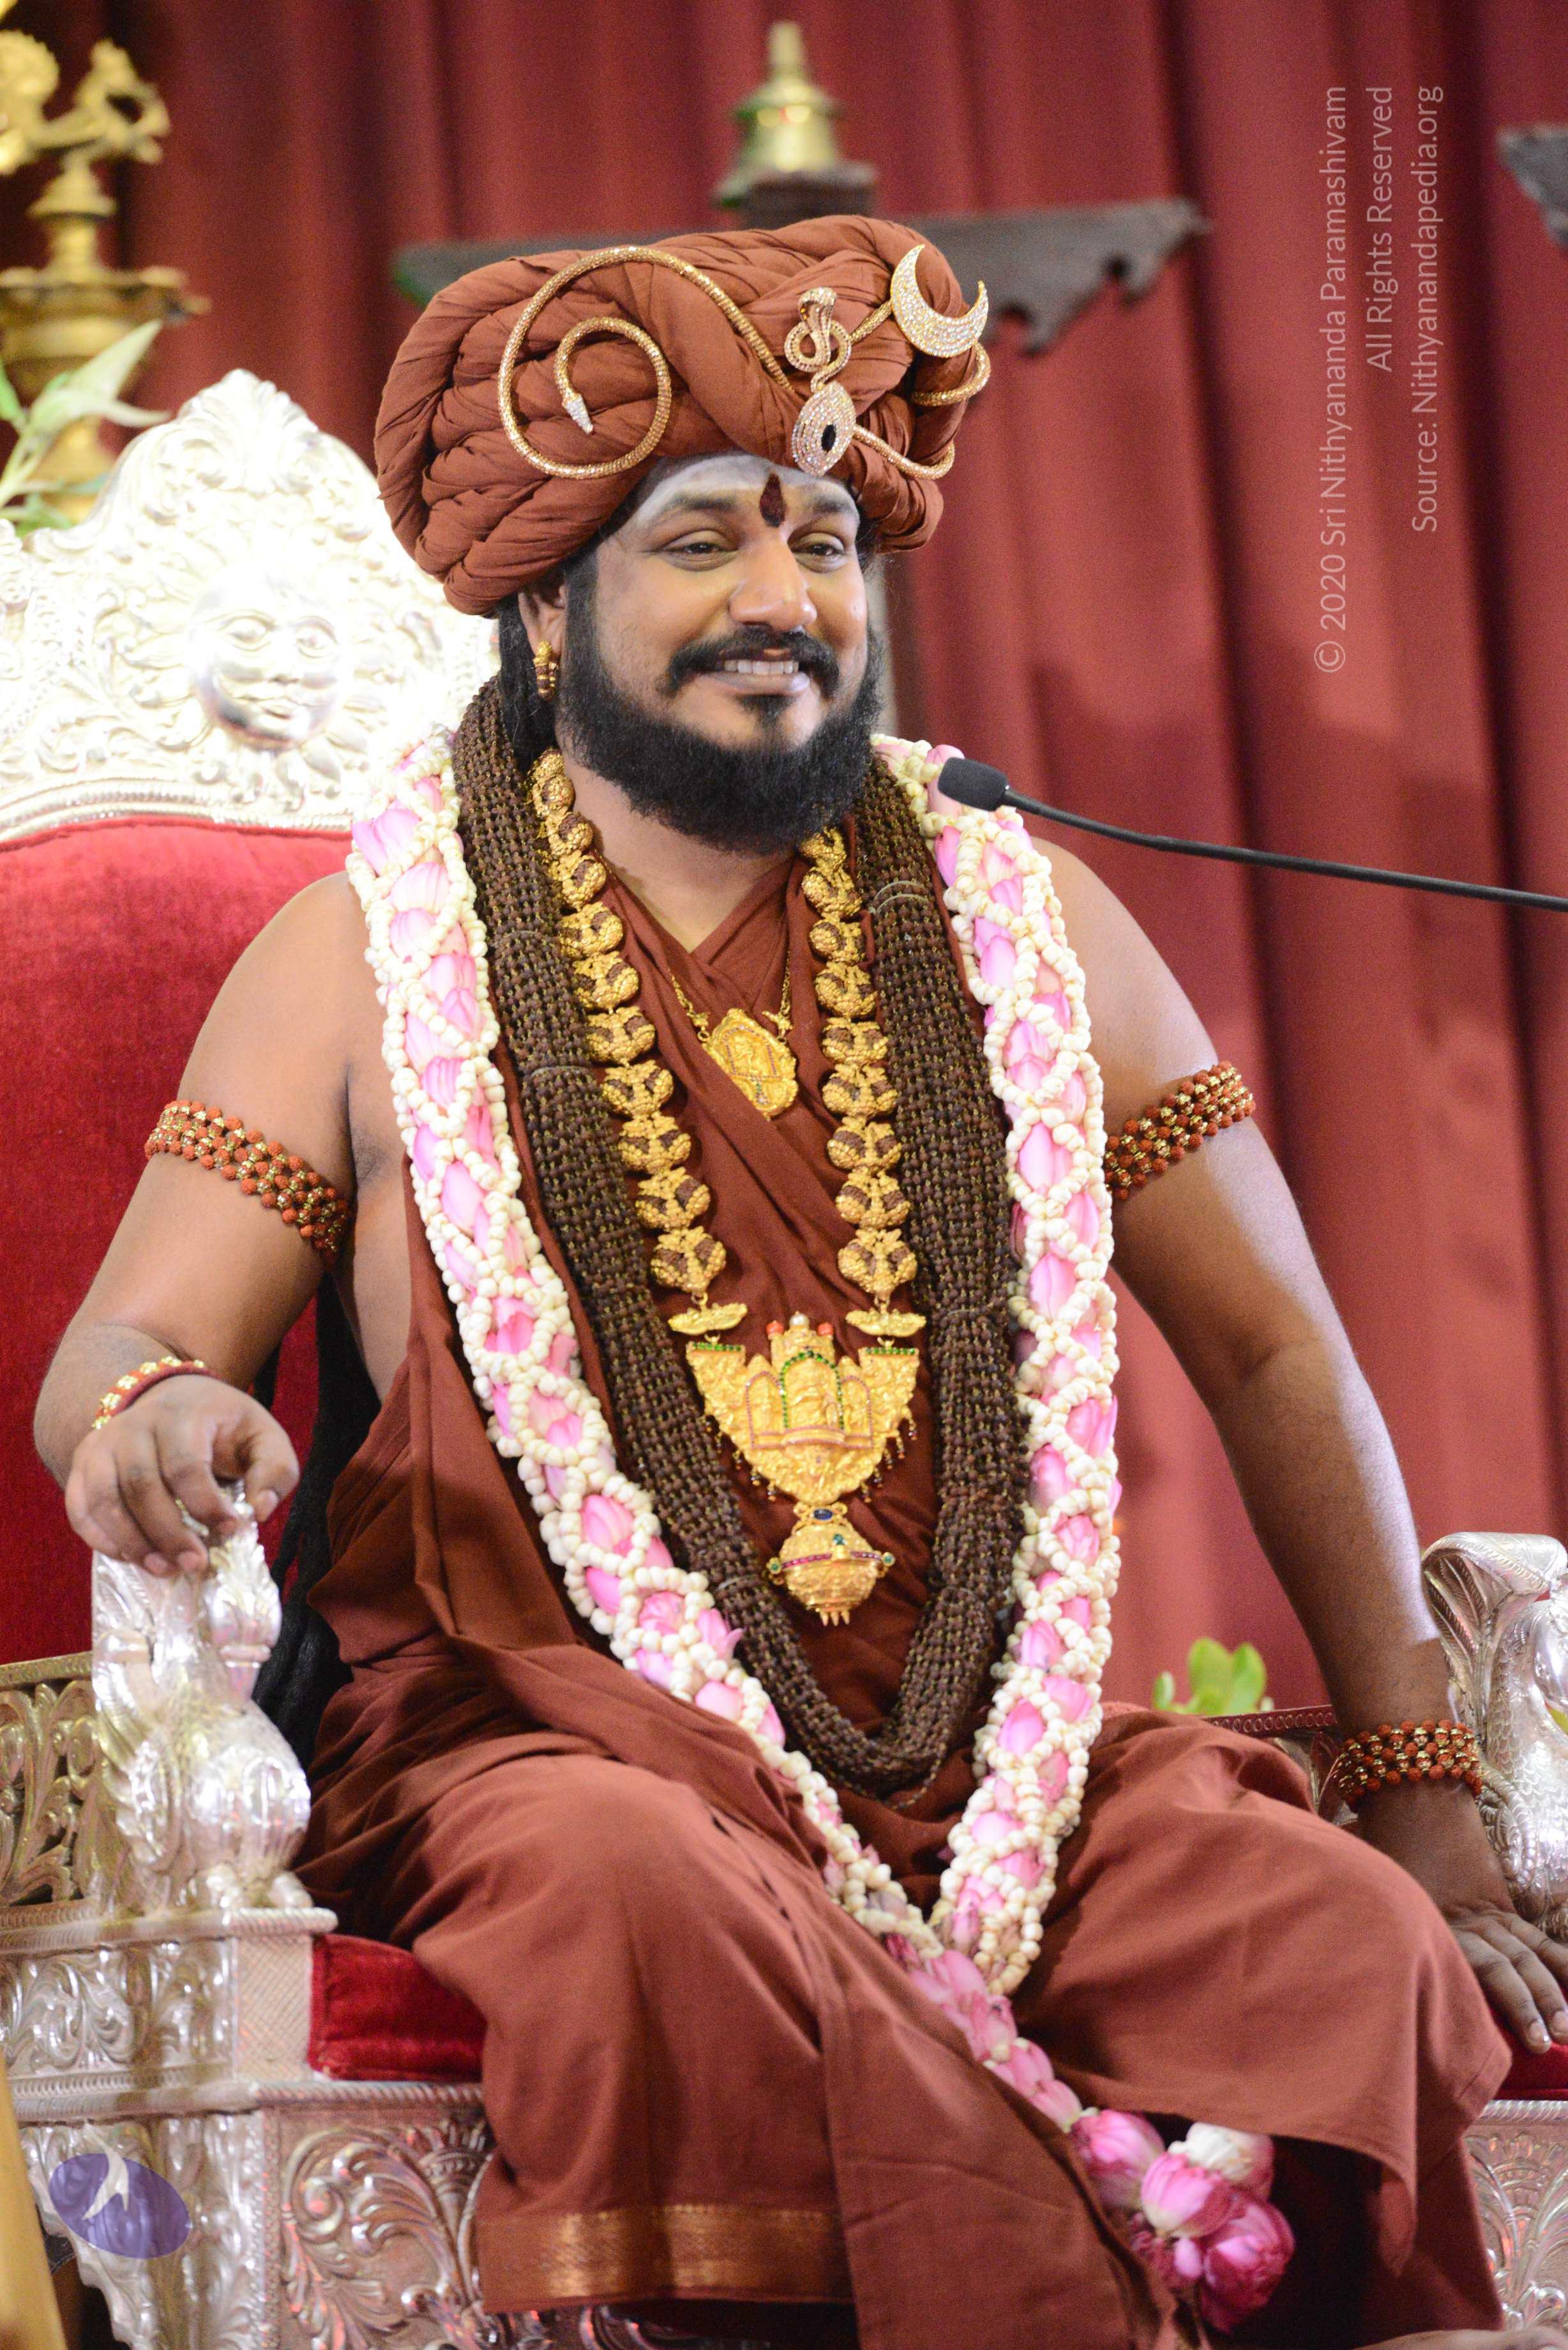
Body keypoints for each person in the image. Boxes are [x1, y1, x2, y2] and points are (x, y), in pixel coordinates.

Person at [32, 217, 1568, 2350]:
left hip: (987, 1771)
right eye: (702, 543)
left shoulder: (1031, 922)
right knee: (646, 1906)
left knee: (1334, 1941)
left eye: (825, 539)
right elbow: (121, 1348)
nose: (787, 599)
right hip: (543, 1751)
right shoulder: (365, 954)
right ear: (547, 609)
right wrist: (163, 1415)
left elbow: (1271, 1343)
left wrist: (1421, 1790)